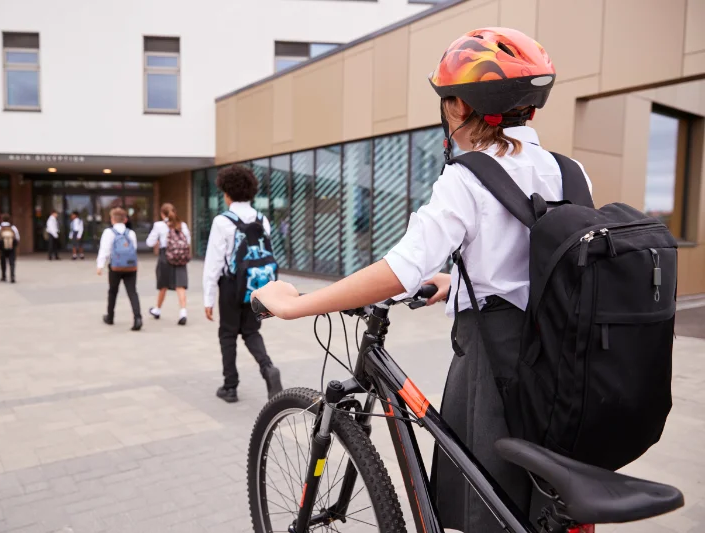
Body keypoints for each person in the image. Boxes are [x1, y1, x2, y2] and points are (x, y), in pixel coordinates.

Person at [251, 27, 591, 533]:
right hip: (563, 366)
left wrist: (294, 305)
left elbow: (397, 271)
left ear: (457, 108)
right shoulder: (570, 172)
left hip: (494, 367)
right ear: (531, 110)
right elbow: (547, 261)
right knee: (535, 504)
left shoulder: (468, 176)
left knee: (485, 506)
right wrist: (457, 283)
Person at [203, 165, 283, 403]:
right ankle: (268, 369)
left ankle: (230, 386)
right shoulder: (262, 219)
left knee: (228, 334)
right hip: (256, 286)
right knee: (251, 331)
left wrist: (208, 298)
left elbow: (213, 263)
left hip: (230, 286)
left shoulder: (222, 221)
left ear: (226, 192)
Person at [97, 207, 142, 331]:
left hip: (115, 267)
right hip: (131, 266)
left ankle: (110, 317)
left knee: (112, 291)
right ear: (125, 220)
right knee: (132, 292)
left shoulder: (109, 232)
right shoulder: (131, 233)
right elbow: (134, 249)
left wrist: (100, 266)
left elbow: (104, 250)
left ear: (112, 219)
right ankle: (137, 317)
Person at [146, 203, 191, 324]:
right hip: (180, 257)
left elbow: (149, 242)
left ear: (162, 214)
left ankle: (158, 309)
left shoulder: (159, 225)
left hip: (165, 256)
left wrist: (159, 242)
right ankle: (183, 312)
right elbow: (188, 241)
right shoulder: (182, 225)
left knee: (163, 285)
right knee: (180, 286)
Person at [0, 213, 20, 283]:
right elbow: (18, 238)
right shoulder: (13, 227)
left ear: (1, 219)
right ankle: (12, 276)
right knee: (12, 262)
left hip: (2, 247)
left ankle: (3, 276)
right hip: (11, 247)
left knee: (2, 261)